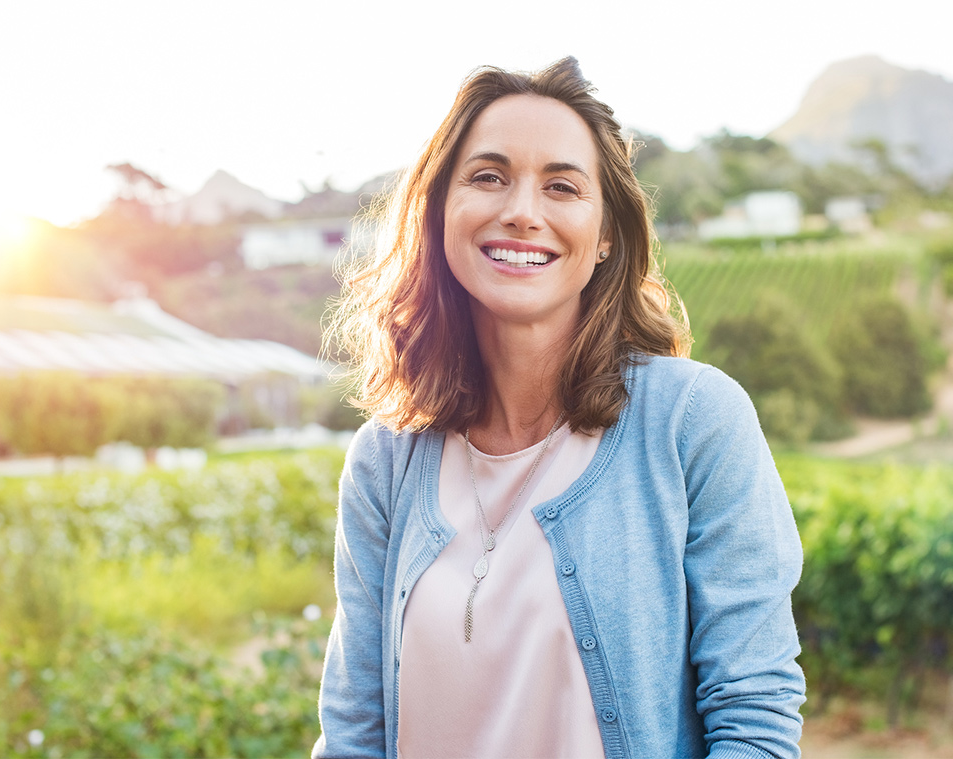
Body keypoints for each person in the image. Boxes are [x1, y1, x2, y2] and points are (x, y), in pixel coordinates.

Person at [314, 57, 805, 759]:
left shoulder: (694, 421)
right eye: (488, 176)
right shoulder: (386, 459)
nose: (521, 210)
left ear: (606, 233)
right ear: (439, 212)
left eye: (562, 186)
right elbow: (354, 734)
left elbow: (753, 716)